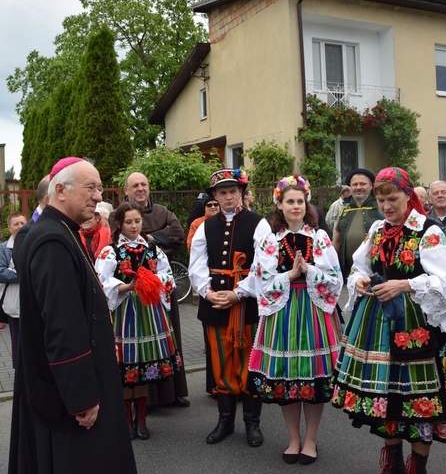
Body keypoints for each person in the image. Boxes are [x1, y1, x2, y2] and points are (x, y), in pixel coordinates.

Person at [332, 167, 446, 474]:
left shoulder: (428, 231)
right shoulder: (378, 230)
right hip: (380, 320)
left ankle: (416, 466)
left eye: (392, 198)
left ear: (408, 196)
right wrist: (359, 280)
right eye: (380, 199)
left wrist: (405, 284)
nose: (385, 206)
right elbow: (359, 265)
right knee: (388, 395)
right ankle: (392, 462)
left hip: (419, 320)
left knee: (422, 399)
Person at [9, 157, 136, 473]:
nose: (98, 196)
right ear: (60, 191)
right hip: (71, 398)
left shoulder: (60, 232)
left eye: (99, 189)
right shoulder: (53, 240)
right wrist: (81, 399)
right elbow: (63, 327)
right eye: (90, 187)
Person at [248, 175, 343, 465]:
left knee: (313, 380)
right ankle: (293, 439)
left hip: (312, 311)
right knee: (288, 379)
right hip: (283, 312)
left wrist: (310, 271)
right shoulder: (268, 240)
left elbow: (335, 278)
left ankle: (311, 440)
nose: (296, 206)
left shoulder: (320, 238)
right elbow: (261, 281)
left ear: (307, 204)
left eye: (300, 201)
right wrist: (290, 274)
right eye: (290, 201)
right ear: (279, 204)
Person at [189, 168, 272, 447]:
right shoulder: (205, 225)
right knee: (221, 362)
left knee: (250, 363)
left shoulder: (259, 223)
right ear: (214, 195)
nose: (228, 196)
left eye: (232, 191)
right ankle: (225, 421)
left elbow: (264, 265)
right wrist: (208, 293)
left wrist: (239, 293)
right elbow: (196, 265)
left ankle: (252, 423)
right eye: (222, 192)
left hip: (247, 304)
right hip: (215, 304)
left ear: (241, 194)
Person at [95, 201, 182, 441]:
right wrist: (127, 286)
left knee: (145, 364)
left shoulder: (153, 249)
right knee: (126, 367)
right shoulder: (111, 251)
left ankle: (141, 418)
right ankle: (126, 419)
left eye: (137, 221)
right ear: (119, 224)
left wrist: (153, 282)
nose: (134, 226)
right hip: (124, 312)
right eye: (129, 222)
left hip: (149, 310)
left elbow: (167, 275)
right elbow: (102, 280)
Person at [118, 171, 190, 408]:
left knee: (167, 339)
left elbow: (178, 234)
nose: (140, 188)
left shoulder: (162, 211)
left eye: (144, 184)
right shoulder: (121, 215)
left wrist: (150, 239)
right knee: (138, 344)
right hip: (132, 292)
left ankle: (171, 394)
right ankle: (143, 401)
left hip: (160, 285)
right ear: (126, 190)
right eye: (135, 185)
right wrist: (160, 237)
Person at [0, 211, 27, 369]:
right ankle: (19, 371)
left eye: (22, 223)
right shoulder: (4, 249)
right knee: (18, 340)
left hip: (33, 302)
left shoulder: (33, 243)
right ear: (9, 227)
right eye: (16, 224)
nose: (20, 227)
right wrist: (24, 275)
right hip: (14, 303)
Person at [333, 168, 381, 279]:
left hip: (375, 273)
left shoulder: (379, 208)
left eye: (363, 184)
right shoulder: (345, 209)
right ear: (350, 187)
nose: (358, 187)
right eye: (355, 184)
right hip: (349, 274)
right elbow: (337, 240)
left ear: (371, 186)